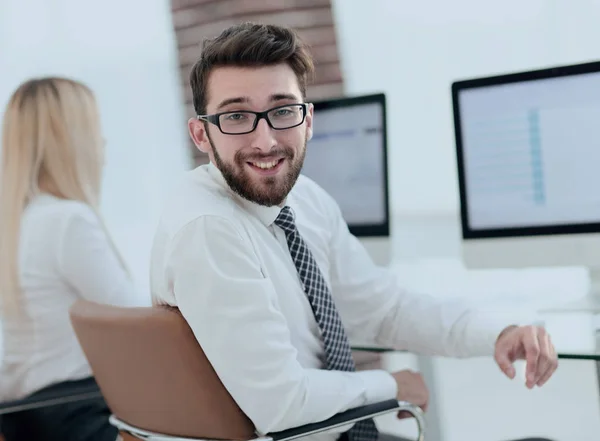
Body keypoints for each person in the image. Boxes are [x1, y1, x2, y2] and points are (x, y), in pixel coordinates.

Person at [149, 23, 558, 441]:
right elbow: (282, 404)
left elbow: (383, 310)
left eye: (282, 110)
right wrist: (392, 385)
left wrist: (498, 331)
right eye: (236, 116)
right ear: (202, 133)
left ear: (308, 120)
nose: (265, 139)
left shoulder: (304, 199)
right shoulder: (208, 228)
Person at [0, 77, 138, 441]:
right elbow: (137, 329)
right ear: (71, 140)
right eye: (94, 129)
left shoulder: (15, 225)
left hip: (22, 418)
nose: (103, 141)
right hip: (81, 414)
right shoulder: (67, 221)